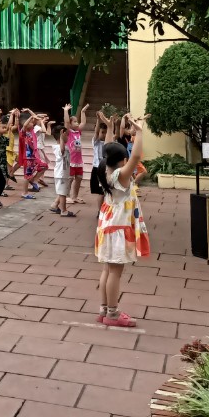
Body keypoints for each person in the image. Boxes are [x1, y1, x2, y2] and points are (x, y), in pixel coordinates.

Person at [95, 114, 151, 327]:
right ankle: (113, 314)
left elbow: (107, 148)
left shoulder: (104, 169)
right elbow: (136, 157)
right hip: (118, 229)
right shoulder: (121, 176)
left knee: (107, 270)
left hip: (107, 227)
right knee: (115, 273)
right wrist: (140, 132)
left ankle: (104, 310)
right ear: (122, 160)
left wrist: (110, 127)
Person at [63, 102, 88, 205]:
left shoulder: (78, 132)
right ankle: (66, 196)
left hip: (78, 161)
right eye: (75, 122)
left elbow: (83, 123)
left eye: (77, 121)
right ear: (70, 124)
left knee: (79, 178)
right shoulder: (68, 132)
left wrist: (83, 112)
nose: (77, 123)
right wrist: (66, 111)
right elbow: (66, 122)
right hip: (71, 161)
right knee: (69, 179)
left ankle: (75, 196)